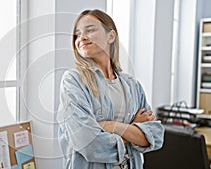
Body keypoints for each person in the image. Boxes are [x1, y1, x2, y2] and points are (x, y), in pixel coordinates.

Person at [57, 9, 164, 169]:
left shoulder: (133, 85)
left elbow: (155, 136)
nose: (82, 38)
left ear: (111, 36)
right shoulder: (73, 81)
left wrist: (109, 126)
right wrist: (133, 128)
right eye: (77, 34)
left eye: (90, 30)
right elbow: (89, 144)